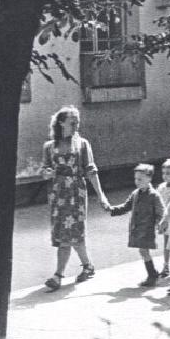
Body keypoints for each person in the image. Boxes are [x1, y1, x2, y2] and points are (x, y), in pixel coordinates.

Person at [41, 106, 110, 290]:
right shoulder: (49, 147)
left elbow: (91, 171)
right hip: (58, 194)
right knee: (65, 233)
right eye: (72, 122)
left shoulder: (82, 144)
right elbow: (44, 170)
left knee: (73, 232)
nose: (76, 126)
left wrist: (101, 196)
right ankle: (88, 266)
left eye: (77, 122)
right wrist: (47, 173)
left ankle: (58, 276)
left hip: (76, 192)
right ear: (61, 123)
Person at [108, 164, 166, 287]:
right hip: (137, 228)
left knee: (144, 251)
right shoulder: (135, 193)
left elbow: (161, 212)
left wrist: (159, 224)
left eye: (140, 179)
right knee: (143, 251)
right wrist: (111, 209)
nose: (137, 181)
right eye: (136, 179)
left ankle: (152, 275)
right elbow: (126, 206)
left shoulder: (154, 195)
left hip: (147, 229)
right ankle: (153, 273)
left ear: (149, 179)